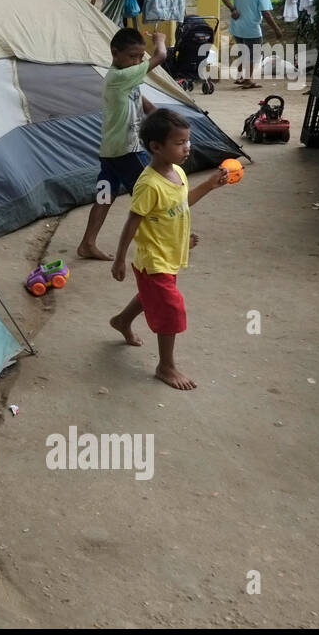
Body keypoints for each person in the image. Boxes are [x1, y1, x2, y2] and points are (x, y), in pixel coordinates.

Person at [109, 109, 230, 390]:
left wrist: (209, 186)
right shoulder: (149, 184)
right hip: (154, 258)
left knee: (152, 296)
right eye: (179, 143)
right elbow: (132, 221)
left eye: (188, 141)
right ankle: (166, 365)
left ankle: (121, 320)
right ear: (156, 147)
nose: (187, 147)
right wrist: (119, 260)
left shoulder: (176, 172)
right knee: (171, 309)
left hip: (171, 253)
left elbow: (179, 205)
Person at [77, 28, 162, 261]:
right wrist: (160, 41)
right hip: (127, 150)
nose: (137, 61)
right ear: (115, 53)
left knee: (104, 197)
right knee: (154, 193)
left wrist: (162, 118)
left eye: (140, 57)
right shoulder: (118, 77)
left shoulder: (126, 77)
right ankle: (167, 240)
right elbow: (161, 56)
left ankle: (87, 243)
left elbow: (144, 103)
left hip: (109, 153)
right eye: (132, 56)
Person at [220, 0, 282, 89]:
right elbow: (266, 14)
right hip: (251, 29)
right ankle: (248, 80)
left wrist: (233, 9)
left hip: (237, 28)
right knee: (254, 55)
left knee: (244, 52)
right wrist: (276, 29)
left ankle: (240, 77)